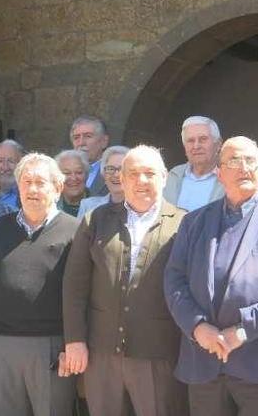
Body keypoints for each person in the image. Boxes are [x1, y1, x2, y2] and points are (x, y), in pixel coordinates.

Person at [164, 136, 258, 416]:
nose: (244, 167)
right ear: (219, 173)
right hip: (204, 361)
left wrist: (242, 331)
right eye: (233, 160)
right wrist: (197, 328)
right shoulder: (193, 222)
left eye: (250, 161)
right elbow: (174, 281)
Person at [63, 145, 189, 416]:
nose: (141, 181)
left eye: (149, 173)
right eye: (133, 173)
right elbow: (75, 287)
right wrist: (75, 340)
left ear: (164, 177)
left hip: (158, 354)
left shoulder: (185, 223)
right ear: (122, 177)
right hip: (102, 353)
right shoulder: (96, 220)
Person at [0, 153, 79, 416]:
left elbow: (82, 296)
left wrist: (72, 344)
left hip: (52, 346)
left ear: (57, 188)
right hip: (2, 346)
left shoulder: (75, 231)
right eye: (26, 182)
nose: (33, 189)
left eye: (41, 182)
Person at [164, 116, 224, 212]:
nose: (196, 146)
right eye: (190, 141)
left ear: (218, 144)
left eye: (203, 139)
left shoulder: (230, 178)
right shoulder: (173, 175)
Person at [76, 145, 129, 219]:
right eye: (110, 169)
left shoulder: (142, 209)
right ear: (103, 175)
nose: (116, 175)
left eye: (122, 169)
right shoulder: (88, 206)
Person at [70, 116, 110, 196]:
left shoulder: (114, 173)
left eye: (88, 136)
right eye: (76, 137)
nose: (81, 143)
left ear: (104, 141)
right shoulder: (61, 172)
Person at [0, 139, 24, 211]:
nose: (5, 167)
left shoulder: (26, 193)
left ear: (20, 164)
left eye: (11, 161)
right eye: (0, 161)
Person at [56, 149, 89, 217]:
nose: (73, 178)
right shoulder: (49, 207)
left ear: (86, 175)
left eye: (79, 172)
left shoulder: (100, 205)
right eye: (67, 173)